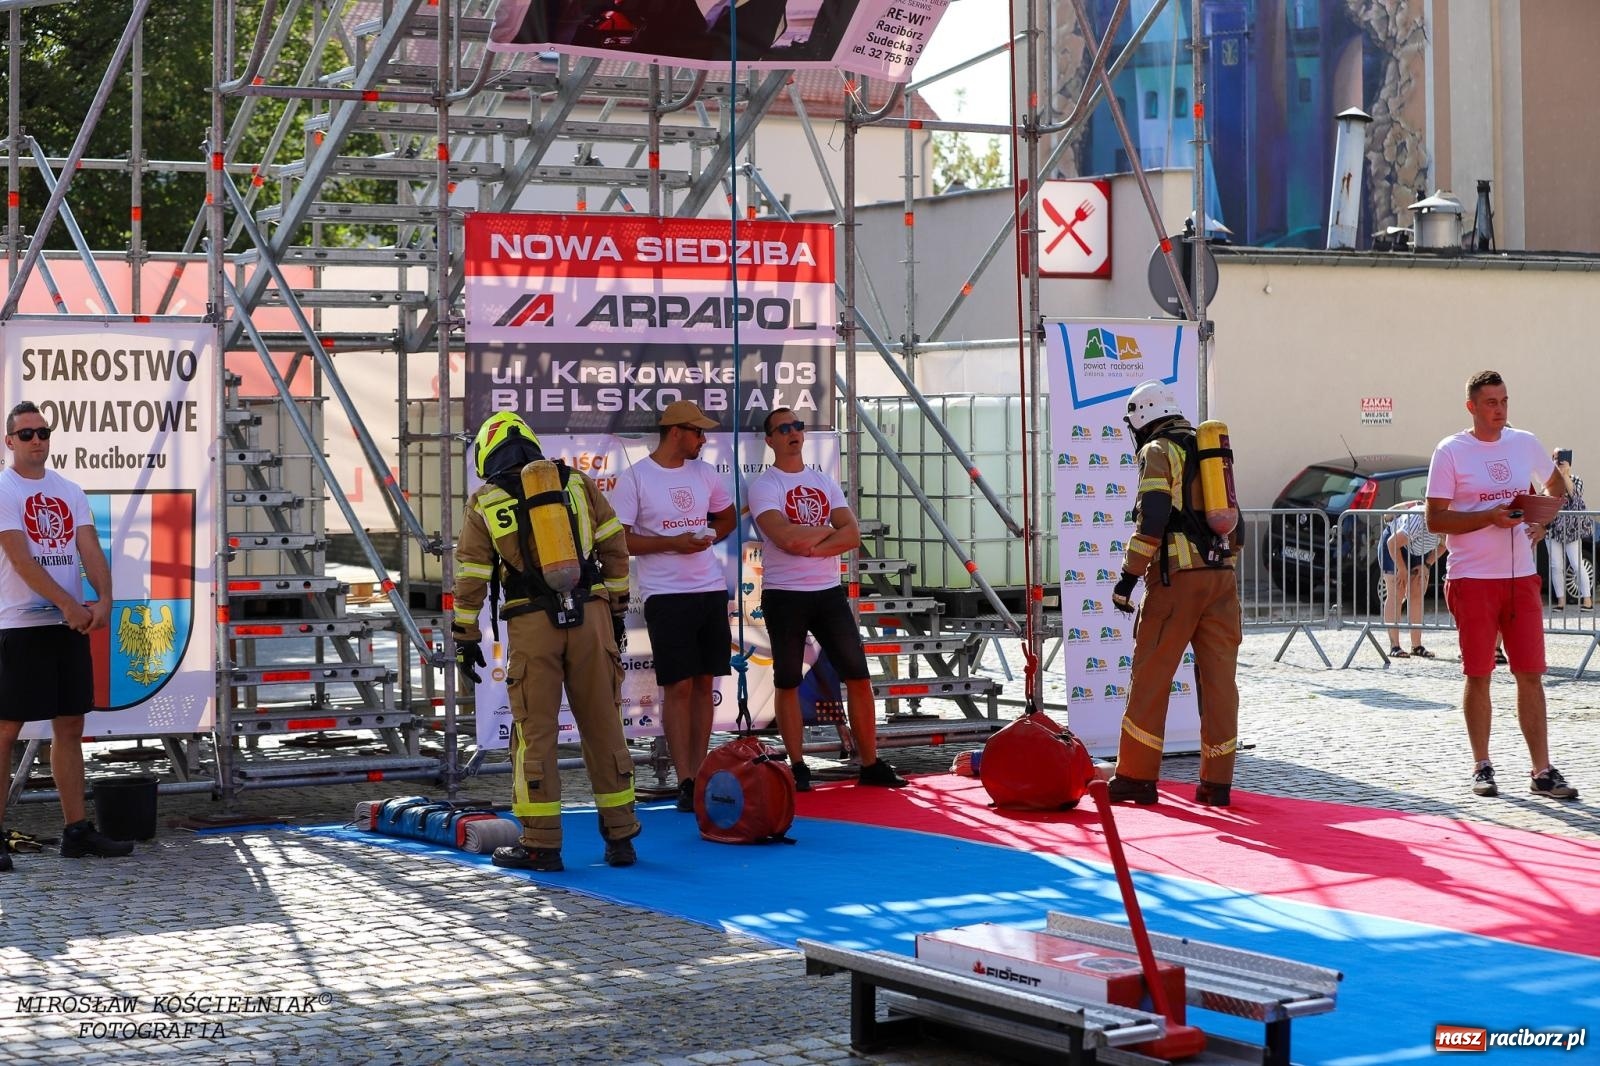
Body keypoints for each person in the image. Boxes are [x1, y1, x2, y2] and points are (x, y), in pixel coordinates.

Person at [451, 412, 641, 871]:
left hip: (533, 624)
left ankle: (540, 844)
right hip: (592, 616)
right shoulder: (576, 484)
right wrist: (615, 612)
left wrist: (466, 636)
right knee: (603, 725)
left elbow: (472, 574)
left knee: (535, 733)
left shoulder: (487, 501)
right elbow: (615, 548)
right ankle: (621, 838)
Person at [1425, 370, 1579, 801]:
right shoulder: (1450, 450)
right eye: (1491, 403)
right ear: (1471, 407)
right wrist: (1488, 517)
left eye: (1505, 401)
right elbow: (1434, 519)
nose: (1500, 410)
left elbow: (1557, 486)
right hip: (1472, 578)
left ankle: (1542, 770)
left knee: (1530, 674)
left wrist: (1542, 521)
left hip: (1521, 578)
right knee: (1479, 674)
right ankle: (1482, 765)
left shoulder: (1524, 442)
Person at [0, 401, 131, 872]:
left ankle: (76, 831)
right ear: (10, 441)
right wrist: (69, 603)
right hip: (17, 623)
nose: (37, 440)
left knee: (70, 725)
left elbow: (89, 547)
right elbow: (20, 559)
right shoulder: (3, 488)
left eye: (43, 432)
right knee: (5, 731)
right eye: (27, 433)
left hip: (65, 626)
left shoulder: (70, 489)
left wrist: (106, 599)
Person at [747, 408, 907, 792]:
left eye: (798, 426)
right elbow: (786, 539)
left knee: (858, 674)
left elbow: (851, 536)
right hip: (785, 593)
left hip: (826, 591)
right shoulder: (764, 485)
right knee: (786, 679)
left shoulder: (822, 479)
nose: (793, 433)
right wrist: (824, 532)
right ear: (769, 440)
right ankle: (798, 766)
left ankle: (869, 763)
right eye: (783, 428)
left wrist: (814, 546)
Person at [1105, 381, 1241, 808]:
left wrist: (1128, 578)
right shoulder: (1209, 452)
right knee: (1220, 685)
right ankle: (1216, 785)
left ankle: (1135, 778)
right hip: (1222, 581)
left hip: (1177, 582)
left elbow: (1154, 517)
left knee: (1150, 678)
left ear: (1142, 417)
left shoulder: (1158, 451)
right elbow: (1237, 522)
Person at [609, 400, 736, 812]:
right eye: (698, 432)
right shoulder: (636, 478)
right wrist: (673, 543)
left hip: (711, 589)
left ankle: (699, 776)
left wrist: (708, 535)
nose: (704, 439)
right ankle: (684, 778)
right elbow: (621, 540)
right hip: (665, 595)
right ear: (676, 432)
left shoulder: (705, 472)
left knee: (705, 684)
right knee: (678, 686)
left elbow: (728, 517)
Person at [1380, 502, 1442, 659]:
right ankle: (1394, 646)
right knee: (1396, 592)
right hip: (1395, 545)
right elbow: (1392, 543)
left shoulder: (1449, 523)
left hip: (1418, 550)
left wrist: (1427, 564)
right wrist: (1402, 569)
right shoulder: (1419, 519)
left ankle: (1417, 645)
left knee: (1417, 592)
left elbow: (1444, 545)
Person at [1546, 449, 1592, 612]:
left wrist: (1565, 475)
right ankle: (1561, 602)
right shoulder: (1549, 479)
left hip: (1571, 530)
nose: (1558, 462)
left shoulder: (1575, 479)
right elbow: (1546, 497)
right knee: (1555, 566)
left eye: (1561, 459)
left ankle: (1587, 600)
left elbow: (1576, 495)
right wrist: (1555, 476)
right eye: (1555, 458)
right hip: (1553, 529)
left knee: (1577, 564)